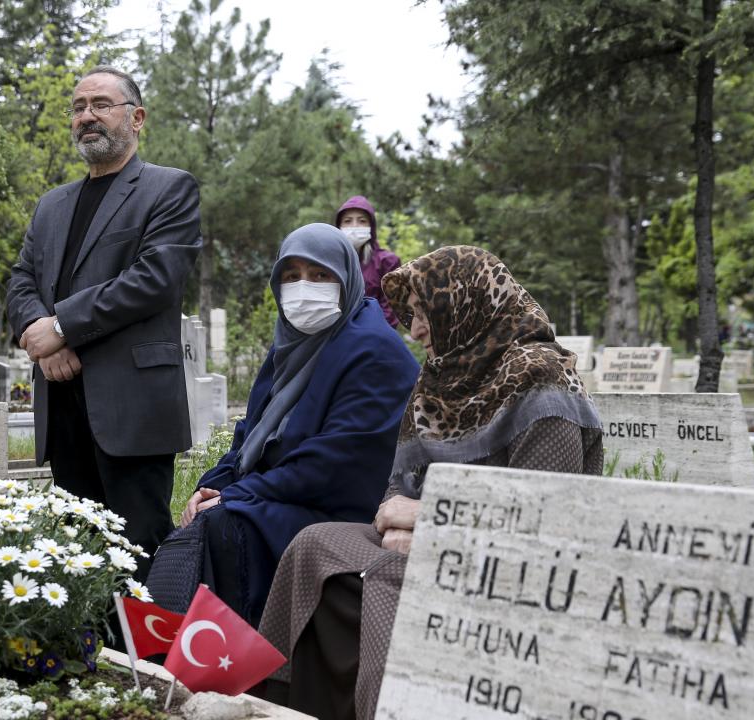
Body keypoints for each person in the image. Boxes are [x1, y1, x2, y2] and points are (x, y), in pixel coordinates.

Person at [257, 246, 604, 720]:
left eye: (423, 314)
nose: (416, 331)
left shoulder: (540, 375)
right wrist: (401, 520)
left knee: (385, 576)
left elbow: (547, 514)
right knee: (313, 545)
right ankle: (285, 704)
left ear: (465, 305)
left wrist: (430, 520)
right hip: (427, 540)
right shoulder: (439, 381)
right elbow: (396, 489)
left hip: (505, 560)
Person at [6, 66, 202, 576]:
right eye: (78, 107)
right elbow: (22, 279)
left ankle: (147, 634)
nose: (87, 116)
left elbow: (153, 280)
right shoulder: (52, 205)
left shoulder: (168, 189)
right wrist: (43, 338)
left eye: (100, 104)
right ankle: (88, 633)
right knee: (77, 555)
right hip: (62, 402)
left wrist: (62, 327)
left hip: (131, 408)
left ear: (137, 118)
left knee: (139, 553)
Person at [173, 223, 420, 626]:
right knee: (203, 519)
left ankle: (241, 652)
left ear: (346, 278)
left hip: (342, 511)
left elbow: (330, 465)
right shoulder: (289, 348)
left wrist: (235, 496)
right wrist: (210, 487)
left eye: (320, 275)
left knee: (227, 524)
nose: (304, 287)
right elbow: (249, 437)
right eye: (292, 276)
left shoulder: (375, 351)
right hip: (289, 496)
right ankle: (187, 648)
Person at [336, 196, 401, 329]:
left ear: (371, 226)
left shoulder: (387, 262)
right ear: (339, 227)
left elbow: (391, 309)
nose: (354, 226)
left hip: (374, 334)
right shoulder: (330, 261)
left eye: (362, 221)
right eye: (347, 221)